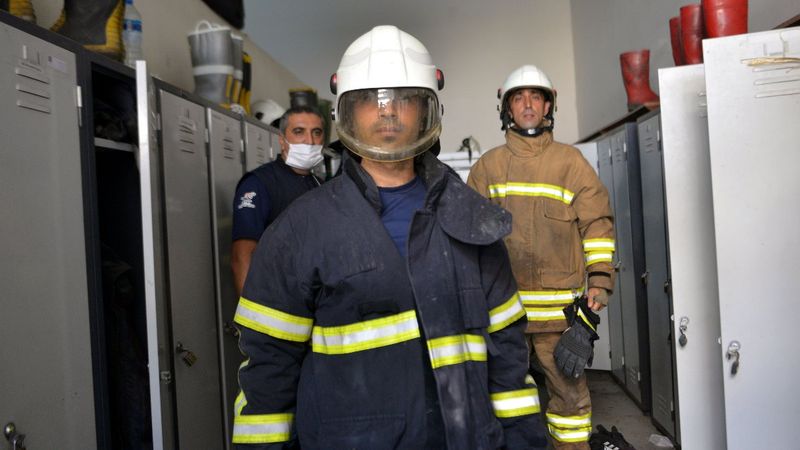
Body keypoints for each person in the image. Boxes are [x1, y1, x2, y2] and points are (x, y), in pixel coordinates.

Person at [231, 26, 548, 449]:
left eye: (404, 100)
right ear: (347, 113)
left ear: (426, 110)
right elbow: (268, 373)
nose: (387, 112)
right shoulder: (300, 230)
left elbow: (509, 359)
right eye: (370, 101)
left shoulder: (470, 219)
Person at [467, 65, 616, 449]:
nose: (528, 104)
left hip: (558, 320)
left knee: (569, 400)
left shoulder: (571, 163)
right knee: (506, 401)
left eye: (536, 96)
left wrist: (599, 281)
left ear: (549, 105)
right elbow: (468, 236)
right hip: (504, 317)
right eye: (519, 97)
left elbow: (597, 224)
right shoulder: (488, 167)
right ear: (507, 108)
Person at [231, 106, 324, 295]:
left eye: (316, 132)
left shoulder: (320, 186)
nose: (309, 141)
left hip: (317, 299)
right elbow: (241, 256)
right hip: (278, 302)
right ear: (282, 140)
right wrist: (253, 318)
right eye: (299, 132)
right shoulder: (259, 183)